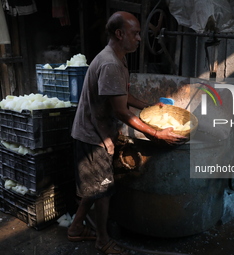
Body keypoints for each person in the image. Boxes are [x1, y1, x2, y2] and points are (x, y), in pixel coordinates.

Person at [67, 11, 187, 255]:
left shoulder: (118, 58)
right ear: (120, 34)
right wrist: (157, 134)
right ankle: (102, 240)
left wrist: (152, 107)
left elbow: (124, 96)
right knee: (103, 190)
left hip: (98, 130)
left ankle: (76, 227)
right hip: (92, 136)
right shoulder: (110, 63)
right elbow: (122, 112)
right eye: (135, 33)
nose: (140, 38)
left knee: (95, 185)